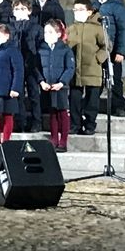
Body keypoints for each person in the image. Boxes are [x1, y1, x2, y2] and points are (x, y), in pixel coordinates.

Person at [67, 0, 107, 135]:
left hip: (92, 69)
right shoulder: (71, 29)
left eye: (81, 9)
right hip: (75, 71)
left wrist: (98, 58)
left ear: (89, 12)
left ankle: (90, 124)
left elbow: (106, 46)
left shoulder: (97, 28)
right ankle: (75, 124)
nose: (77, 12)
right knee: (74, 99)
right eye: (75, 10)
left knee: (92, 100)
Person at [92, 0, 125, 117]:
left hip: (112, 49)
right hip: (96, 49)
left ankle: (118, 106)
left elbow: (123, 29)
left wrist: (121, 51)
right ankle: (91, 104)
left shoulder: (117, 7)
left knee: (114, 79)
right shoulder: (94, 5)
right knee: (96, 79)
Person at [36, 20, 75, 152]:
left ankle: (63, 141)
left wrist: (62, 82)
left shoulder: (65, 49)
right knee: (52, 113)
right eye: (45, 32)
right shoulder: (41, 49)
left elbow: (70, 68)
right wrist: (42, 81)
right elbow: (37, 68)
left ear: (58, 34)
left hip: (60, 87)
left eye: (50, 32)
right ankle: (54, 139)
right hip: (48, 85)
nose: (47, 35)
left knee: (62, 112)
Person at [10, 0, 45, 132]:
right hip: (16, 66)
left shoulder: (36, 28)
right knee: (17, 95)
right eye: (17, 9)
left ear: (29, 11)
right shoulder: (10, 28)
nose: (20, 11)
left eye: (23, 9)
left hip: (31, 65)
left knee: (34, 95)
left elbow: (40, 46)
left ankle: (37, 122)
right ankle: (20, 122)